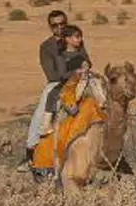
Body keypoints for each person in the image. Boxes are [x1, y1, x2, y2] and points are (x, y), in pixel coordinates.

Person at [25, 21, 90, 164]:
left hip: (83, 80)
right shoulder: (53, 50)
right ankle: (40, 132)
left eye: (62, 24)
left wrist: (86, 66)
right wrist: (75, 72)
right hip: (64, 83)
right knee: (52, 95)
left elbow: (87, 62)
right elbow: (57, 75)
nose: (59, 27)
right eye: (55, 25)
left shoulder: (80, 50)